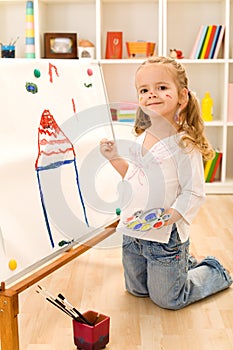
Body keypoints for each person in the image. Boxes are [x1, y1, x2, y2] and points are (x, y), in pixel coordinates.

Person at [100, 56, 232, 310]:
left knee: (169, 299)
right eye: (144, 90)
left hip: (165, 236)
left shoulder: (183, 145)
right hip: (133, 232)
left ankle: (215, 272)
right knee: (137, 290)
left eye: (161, 88)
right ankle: (182, 264)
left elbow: (194, 192)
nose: (152, 94)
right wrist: (113, 158)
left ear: (182, 96)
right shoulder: (140, 137)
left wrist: (170, 217)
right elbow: (134, 177)